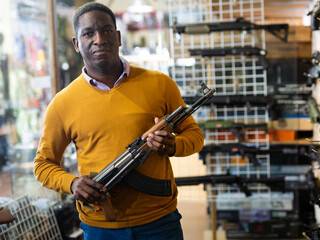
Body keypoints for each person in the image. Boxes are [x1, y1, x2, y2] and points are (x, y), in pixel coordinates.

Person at [33, 2, 204, 240]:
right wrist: (72, 184)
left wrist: (173, 145)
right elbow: (43, 165)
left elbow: (195, 136)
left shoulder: (160, 84)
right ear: (76, 44)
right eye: (88, 33)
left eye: (107, 30)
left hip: (160, 221)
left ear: (119, 37)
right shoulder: (62, 103)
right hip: (100, 227)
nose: (99, 39)